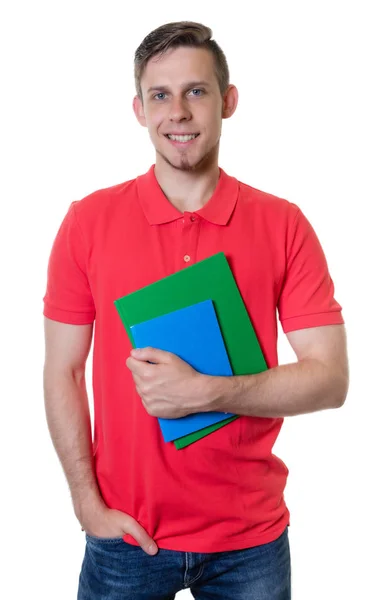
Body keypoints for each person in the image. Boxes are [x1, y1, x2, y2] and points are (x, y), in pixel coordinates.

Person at [42, 21, 349, 600]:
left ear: (228, 101)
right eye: (160, 95)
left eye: (196, 91)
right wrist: (86, 503)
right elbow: (62, 370)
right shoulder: (88, 222)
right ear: (138, 108)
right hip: (125, 538)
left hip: (249, 540)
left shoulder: (283, 224)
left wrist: (209, 392)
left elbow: (330, 380)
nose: (177, 112)